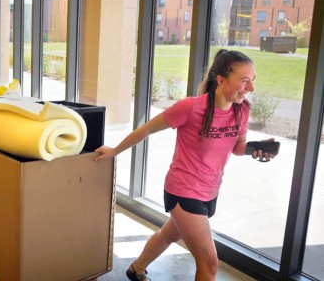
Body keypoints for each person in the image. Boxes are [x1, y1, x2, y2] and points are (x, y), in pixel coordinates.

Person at [94, 50, 277, 281]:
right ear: (220, 80)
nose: (251, 88)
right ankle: (137, 270)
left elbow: (237, 146)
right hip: (183, 189)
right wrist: (114, 151)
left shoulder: (241, 109)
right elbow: (147, 128)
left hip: (210, 190)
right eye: (244, 81)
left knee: (168, 235)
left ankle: (136, 269)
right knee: (209, 263)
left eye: (252, 80)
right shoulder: (191, 107)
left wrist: (256, 149)